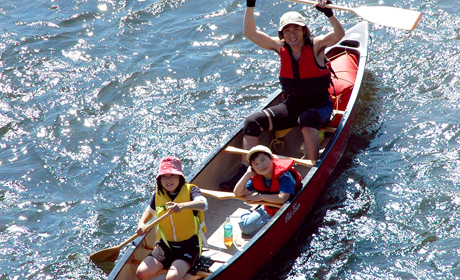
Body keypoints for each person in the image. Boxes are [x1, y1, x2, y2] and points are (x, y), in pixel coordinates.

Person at [220, 0, 345, 190]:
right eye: (287, 31)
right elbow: (250, 33)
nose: (292, 34)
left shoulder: (316, 46)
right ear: (282, 34)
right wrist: (250, 5)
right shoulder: (280, 48)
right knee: (252, 121)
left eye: (296, 29)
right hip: (292, 106)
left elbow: (339, 34)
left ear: (304, 31)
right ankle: (245, 174)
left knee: (306, 119)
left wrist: (329, 14)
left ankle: (313, 169)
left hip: (320, 107)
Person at [136, 156, 207, 280]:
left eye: (172, 175)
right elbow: (150, 211)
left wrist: (182, 206)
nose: (168, 180)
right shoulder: (159, 193)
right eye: (164, 176)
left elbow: (203, 204)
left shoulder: (191, 190)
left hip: (189, 245)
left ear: (180, 176)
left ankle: (192, 275)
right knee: (141, 273)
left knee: (172, 278)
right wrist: (141, 223)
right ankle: (174, 271)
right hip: (166, 245)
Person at [233, 145, 301, 235]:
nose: (261, 165)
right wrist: (247, 174)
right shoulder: (257, 177)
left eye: (263, 160)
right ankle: (249, 214)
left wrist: (260, 197)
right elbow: (237, 193)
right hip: (269, 207)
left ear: (272, 159)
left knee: (271, 231)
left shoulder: (284, 176)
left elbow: (283, 198)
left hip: (287, 208)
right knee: (245, 227)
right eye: (255, 164)